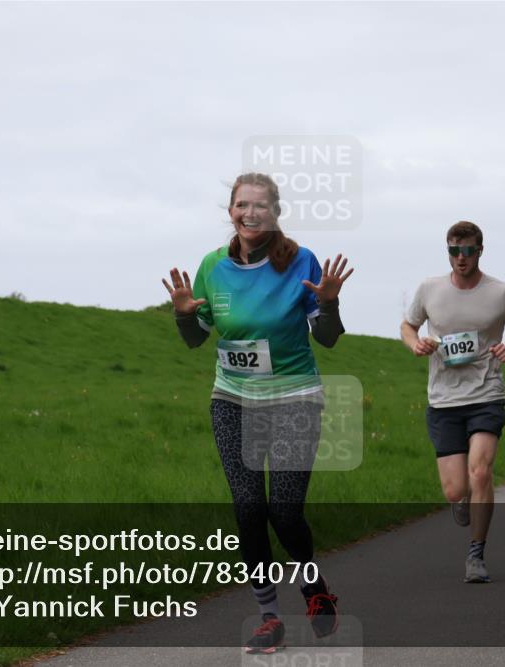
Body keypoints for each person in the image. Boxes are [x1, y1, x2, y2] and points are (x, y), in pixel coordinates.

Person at [163, 173, 352, 654]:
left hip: (294, 399)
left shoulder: (300, 261)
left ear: (276, 213)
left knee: (285, 513)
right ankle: (269, 617)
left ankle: (313, 589)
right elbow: (193, 340)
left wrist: (328, 304)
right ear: (230, 211)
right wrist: (185, 313)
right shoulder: (212, 266)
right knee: (248, 508)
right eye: (242, 205)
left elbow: (327, 338)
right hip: (232, 399)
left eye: (261, 206)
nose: (251, 213)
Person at [401, 220, 505, 584]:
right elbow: (408, 325)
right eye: (454, 251)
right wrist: (415, 343)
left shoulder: (502, 293)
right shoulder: (429, 288)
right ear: (447, 251)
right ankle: (463, 500)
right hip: (444, 399)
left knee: (481, 471)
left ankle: (476, 553)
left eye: (467, 251)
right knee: (455, 489)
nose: (461, 258)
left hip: (486, 395)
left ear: (480, 251)